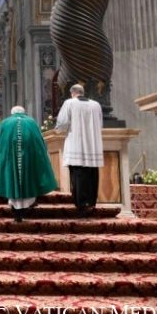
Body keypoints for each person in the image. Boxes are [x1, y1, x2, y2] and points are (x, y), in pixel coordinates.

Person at [0, 106, 58, 222]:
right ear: (24, 112)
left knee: (13, 180)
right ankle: (26, 207)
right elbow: (39, 142)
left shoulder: (5, 123)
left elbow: (0, 143)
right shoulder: (31, 122)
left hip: (11, 159)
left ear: (12, 113)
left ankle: (16, 211)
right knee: (28, 180)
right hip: (28, 159)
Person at [55, 83, 104, 216]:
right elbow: (100, 124)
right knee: (92, 175)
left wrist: (58, 130)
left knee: (78, 175)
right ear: (82, 92)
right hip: (93, 146)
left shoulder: (69, 103)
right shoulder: (96, 105)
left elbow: (62, 123)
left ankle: (81, 205)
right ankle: (91, 203)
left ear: (72, 93)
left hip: (76, 145)